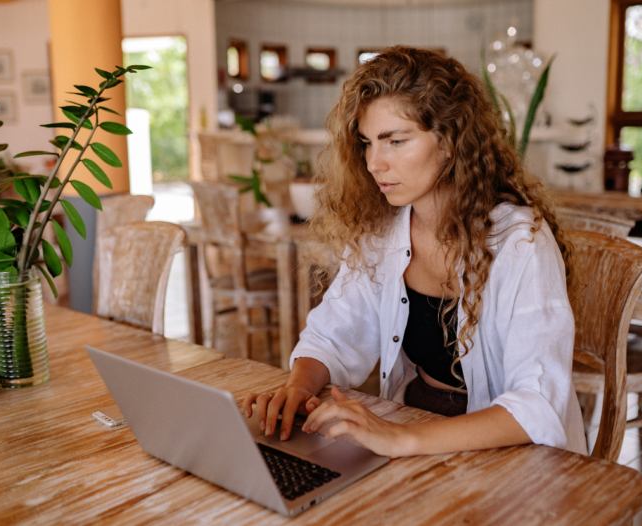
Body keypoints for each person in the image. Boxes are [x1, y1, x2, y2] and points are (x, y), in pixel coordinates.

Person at [243, 46, 587, 457]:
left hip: (507, 449)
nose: (374, 163)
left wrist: (399, 438)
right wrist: (297, 389)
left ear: (450, 140)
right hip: (418, 422)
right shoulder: (384, 230)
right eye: (367, 143)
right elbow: (333, 334)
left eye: (395, 141)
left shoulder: (520, 242)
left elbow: (538, 404)